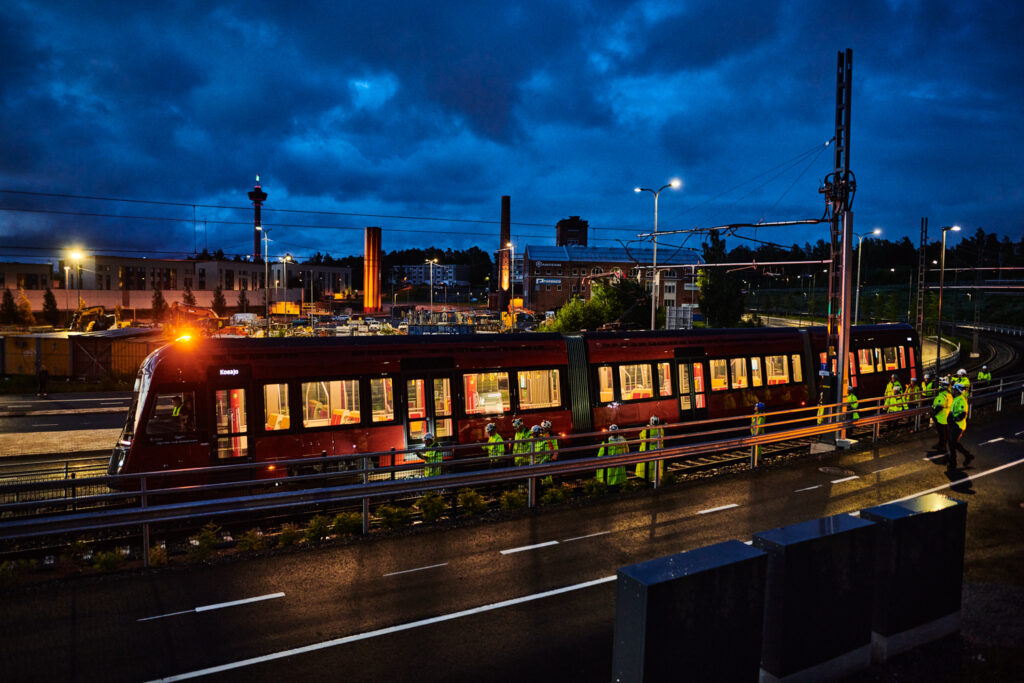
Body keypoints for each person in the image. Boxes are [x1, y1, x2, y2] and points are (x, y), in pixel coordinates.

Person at [946, 383, 973, 471]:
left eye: (954, 389)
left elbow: (962, 414)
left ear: (958, 391)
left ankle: (954, 461)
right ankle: (965, 456)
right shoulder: (956, 399)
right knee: (952, 442)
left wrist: (953, 419)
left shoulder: (961, 400)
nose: (952, 390)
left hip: (958, 425)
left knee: (953, 442)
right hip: (954, 425)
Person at [635, 415, 665, 481]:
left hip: (647, 452)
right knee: (656, 469)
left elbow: (641, 436)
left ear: (650, 422)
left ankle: (647, 482)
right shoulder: (661, 430)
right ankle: (656, 481)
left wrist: (647, 428)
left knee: (646, 470)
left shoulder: (646, 431)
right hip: (658, 451)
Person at [931, 379, 952, 453]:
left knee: (942, 434)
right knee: (945, 433)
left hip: (941, 418)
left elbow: (939, 407)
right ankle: (941, 445)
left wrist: (933, 414)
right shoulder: (949, 395)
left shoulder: (942, 396)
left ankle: (942, 447)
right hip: (947, 417)